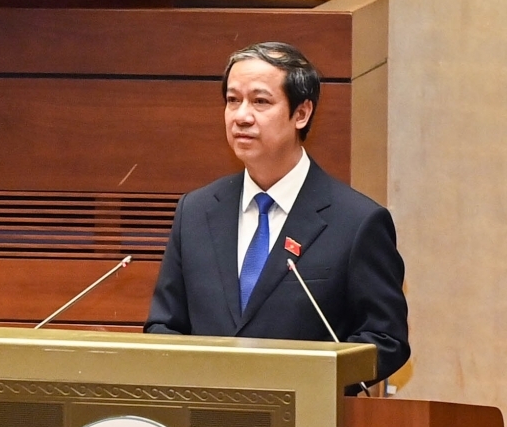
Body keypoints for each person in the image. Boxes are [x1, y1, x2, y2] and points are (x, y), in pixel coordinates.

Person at [144, 42, 410, 392]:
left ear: (301, 113)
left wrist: (307, 381)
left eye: (260, 101)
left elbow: (385, 339)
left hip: (304, 415)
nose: (241, 116)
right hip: (206, 415)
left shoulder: (357, 222)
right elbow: (164, 327)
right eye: (233, 100)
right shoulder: (195, 211)